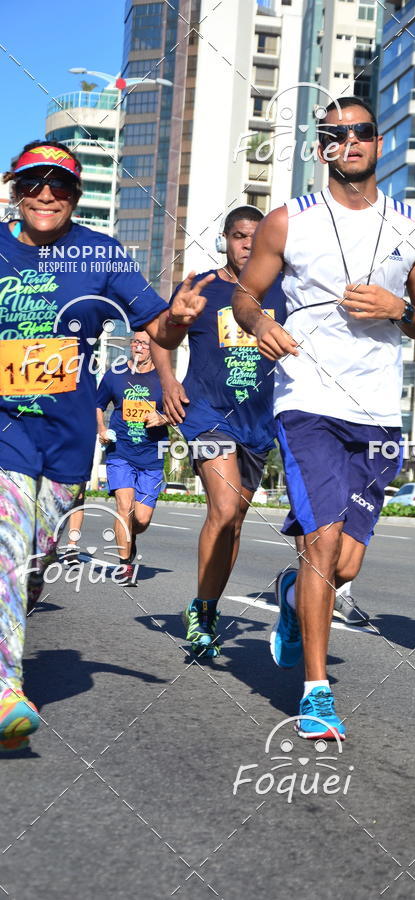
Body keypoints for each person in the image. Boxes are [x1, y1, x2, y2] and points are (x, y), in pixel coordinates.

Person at [232, 97, 415, 740]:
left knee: (345, 564)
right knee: (322, 541)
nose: (349, 142)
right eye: (334, 134)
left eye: (361, 132)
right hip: (306, 400)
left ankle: (294, 599)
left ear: (379, 144)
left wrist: (397, 308)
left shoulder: (414, 227)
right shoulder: (286, 221)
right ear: (321, 146)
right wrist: (261, 321)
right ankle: (316, 692)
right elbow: (246, 295)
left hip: (378, 407)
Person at [0, 140, 213, 751]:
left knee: (36, 560)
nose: (46, 194)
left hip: (66, 440)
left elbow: (157, 322)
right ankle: (7, 685)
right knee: (10, 549)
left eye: (60, 185)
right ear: (16, 189)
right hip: (5, 429)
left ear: (76, 195)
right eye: (34, 183)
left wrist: (178, 317)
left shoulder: (99, 252)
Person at [151, 206, 289, 658]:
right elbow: (161, 332)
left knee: (234, 522)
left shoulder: (284, 289)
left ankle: (204, 606)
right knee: (224, 506)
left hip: (258, 419)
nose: (248, 244)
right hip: (207, 412)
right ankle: (203, 614)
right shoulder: (206, 287)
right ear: (225, 240)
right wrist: (169, 381)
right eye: (239, 236)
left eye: (256, 236)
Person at [96, 332, 169, 585]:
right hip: (121, 453)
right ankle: (125, 566)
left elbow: (181, 409)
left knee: (142, 519)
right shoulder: (115, 373)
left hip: (152, 456)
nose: (138, 348)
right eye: (135, 342)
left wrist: (163, 418)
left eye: (144, 344)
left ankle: (129, 537)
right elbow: (98, 403)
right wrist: (102, 430)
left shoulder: (163, 377)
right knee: (124, 508)